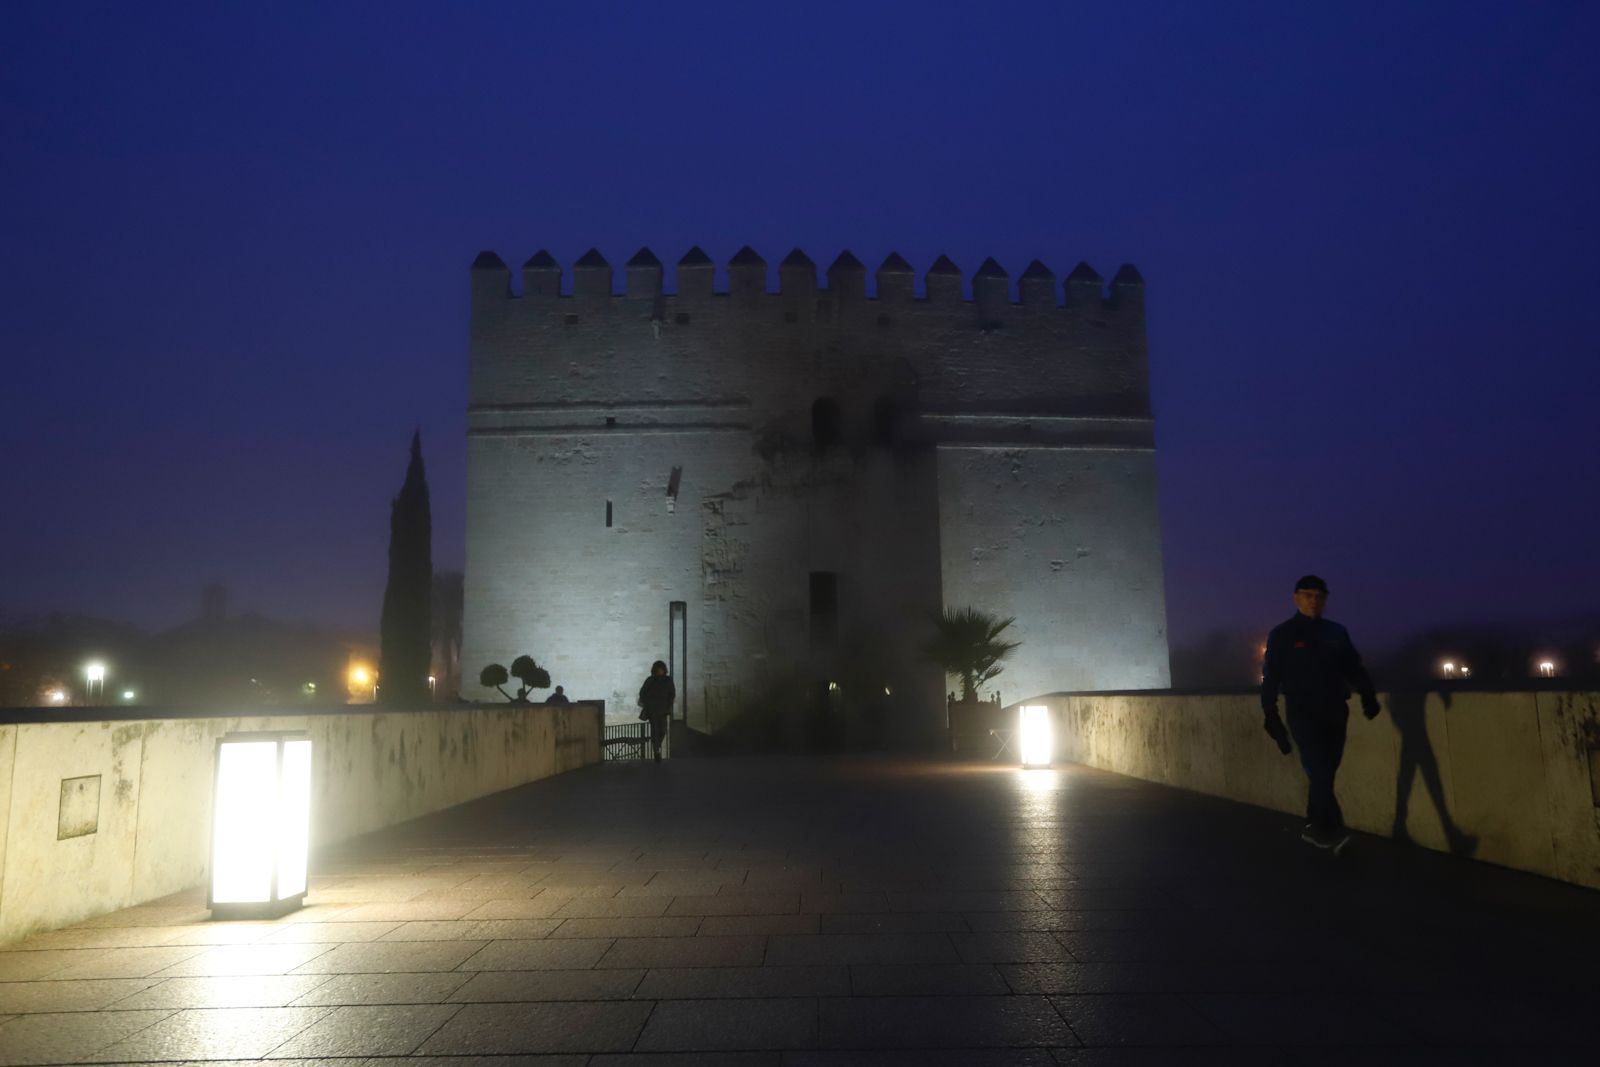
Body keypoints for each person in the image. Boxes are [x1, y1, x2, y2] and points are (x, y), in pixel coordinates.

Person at [1260, 574, 1381, 854]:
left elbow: (1353, 667)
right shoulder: (1282, 635)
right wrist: (1270, 715)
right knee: (1320, 770)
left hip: (1336, 711)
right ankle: (1332, 831)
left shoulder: (1336, 632)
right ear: (1296, 598)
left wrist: (1367, 694)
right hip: (1303, 713)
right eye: (1308, 595)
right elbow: (1271, 677)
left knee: (1324, 773)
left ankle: (1314, 825)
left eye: (1319, 596)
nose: (1314, 601)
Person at [637, 660, 675, 762]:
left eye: (661, 669)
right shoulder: (650, 680)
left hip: (663, 710)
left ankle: (657, 747)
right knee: (655, 730)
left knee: (662, 730)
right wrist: (648, 703)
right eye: (658, 669)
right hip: (652, 710)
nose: (660, 671)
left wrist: (668, 706)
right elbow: (642, 693)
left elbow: (672, 694)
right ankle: (656, 752)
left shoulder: (668, 680)